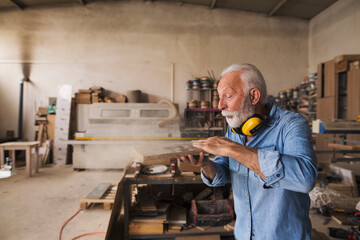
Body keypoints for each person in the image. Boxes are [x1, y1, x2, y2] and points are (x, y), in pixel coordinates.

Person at [181, 63, 318, 240]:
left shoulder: (291, 125)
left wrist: (234, 149)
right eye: (219, 97)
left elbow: (305, 179)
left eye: (228, 96)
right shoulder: (235, 129)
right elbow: (223, 173)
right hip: (244, 235)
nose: (220, 105)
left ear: (253, 96)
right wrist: (206, 165)